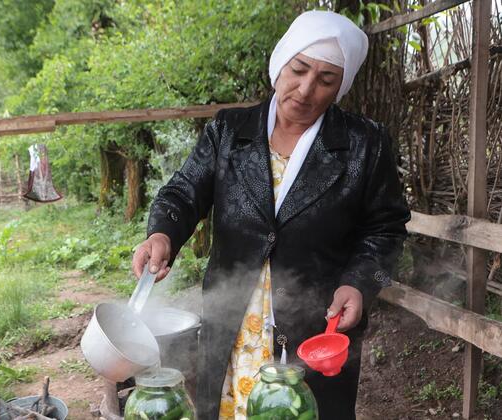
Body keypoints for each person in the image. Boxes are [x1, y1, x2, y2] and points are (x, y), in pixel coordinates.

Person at [131, 10, 410, 420]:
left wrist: (361, 283)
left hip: (316, 325)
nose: (306, 88)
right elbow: (183, 192)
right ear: (280, 64)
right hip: (234, 322)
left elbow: (387, 230)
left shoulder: (365, 145)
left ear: (340, 87)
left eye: (326, 80)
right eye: (298, 70)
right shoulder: (229, 130)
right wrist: (162, 234)